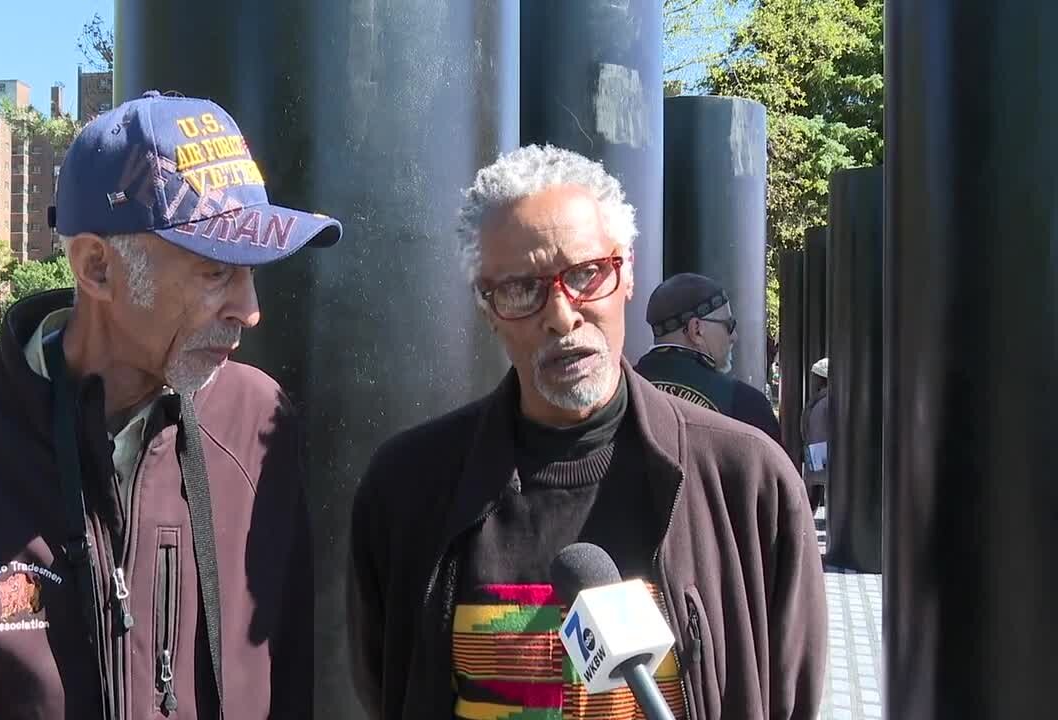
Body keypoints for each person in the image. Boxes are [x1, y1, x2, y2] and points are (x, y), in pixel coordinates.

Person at [0, 91, 342, 719]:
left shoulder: (257, 422)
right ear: (96, 267)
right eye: (216, 272)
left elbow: (286, 672)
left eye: (252, 270)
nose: (250, 308)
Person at [347, 145, 826, 720]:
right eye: (523, 288)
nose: (561, 314)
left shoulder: (748, 482)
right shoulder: (406, 491)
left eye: (586, 274)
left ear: (626, 273)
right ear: (488, 309)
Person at [633, 273, 784, 444]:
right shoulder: (747, 405)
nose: (734, 336)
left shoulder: (617, 393)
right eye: (729, 325)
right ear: (696, 330)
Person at [802, 357, 830, 515]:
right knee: (815, 486)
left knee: (815, 487)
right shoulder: (821, 398)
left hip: (820, 448)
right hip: (816, 446)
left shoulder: (826, 399)